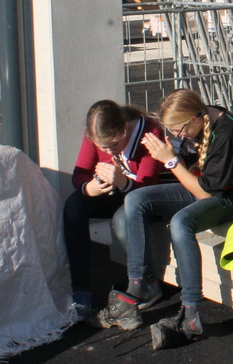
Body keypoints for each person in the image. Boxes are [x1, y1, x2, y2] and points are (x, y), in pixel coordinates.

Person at [91, 89, 233, 350]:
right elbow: (194, 175)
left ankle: (191, 311)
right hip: (201, 186)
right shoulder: (198, 121)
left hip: (229, 197)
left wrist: (170, 161)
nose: (178, 136)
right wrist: (173, 155)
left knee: (181, 222)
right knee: (135, 199)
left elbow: (206, 193)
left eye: (179, 130)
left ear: (195, 119)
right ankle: (140, 284)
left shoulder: (225, 133)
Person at [63, 100, 164, 321]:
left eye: (114, 145)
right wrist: (89, 188)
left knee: (124, 215)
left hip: (146, 196)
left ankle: (147, 281)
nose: (109, 151)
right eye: (103, 148)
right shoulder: (93, 136)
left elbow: (146, 189)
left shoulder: (150, 132)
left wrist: (123, 182)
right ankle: (81, 289)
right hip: (118, 192)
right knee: (74, 205)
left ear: (124, 128)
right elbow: (80, 173)